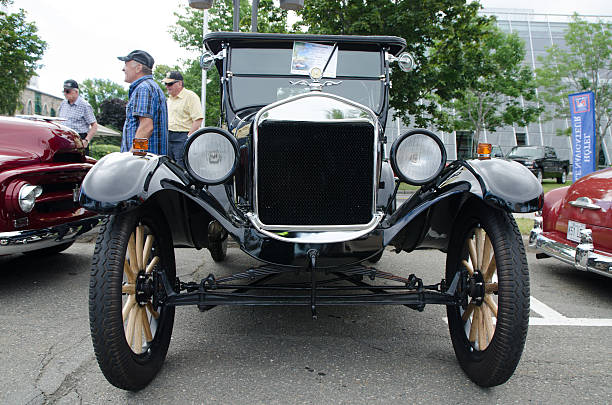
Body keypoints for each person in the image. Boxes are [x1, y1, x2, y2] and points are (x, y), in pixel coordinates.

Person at [117, 50, 168, 155]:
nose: (123, 69)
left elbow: (146, 128)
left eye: (126, 65)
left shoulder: (143, 88)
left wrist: (132, 156)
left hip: (142, 165)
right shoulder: (152, 87)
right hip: (149, 163)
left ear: (138, 68)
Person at [162, 71, 203, 166]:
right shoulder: (169, 99)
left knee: (181, 167)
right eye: (166, 84)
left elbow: (198, 119)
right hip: (168, 136)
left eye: (170, 84)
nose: (167, 86)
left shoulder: (190, 96)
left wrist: (188, 138)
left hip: (182, 136)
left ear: (180, 83)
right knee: (168, 166)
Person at [58, 79, 98, 154]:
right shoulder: (63, 104)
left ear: (76, 92)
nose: (65, 93)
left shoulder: (85, 105)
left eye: (67, 91)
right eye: (64, 91)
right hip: (64, 140)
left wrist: (86, 141)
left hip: (78, 139)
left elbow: (94, 126)